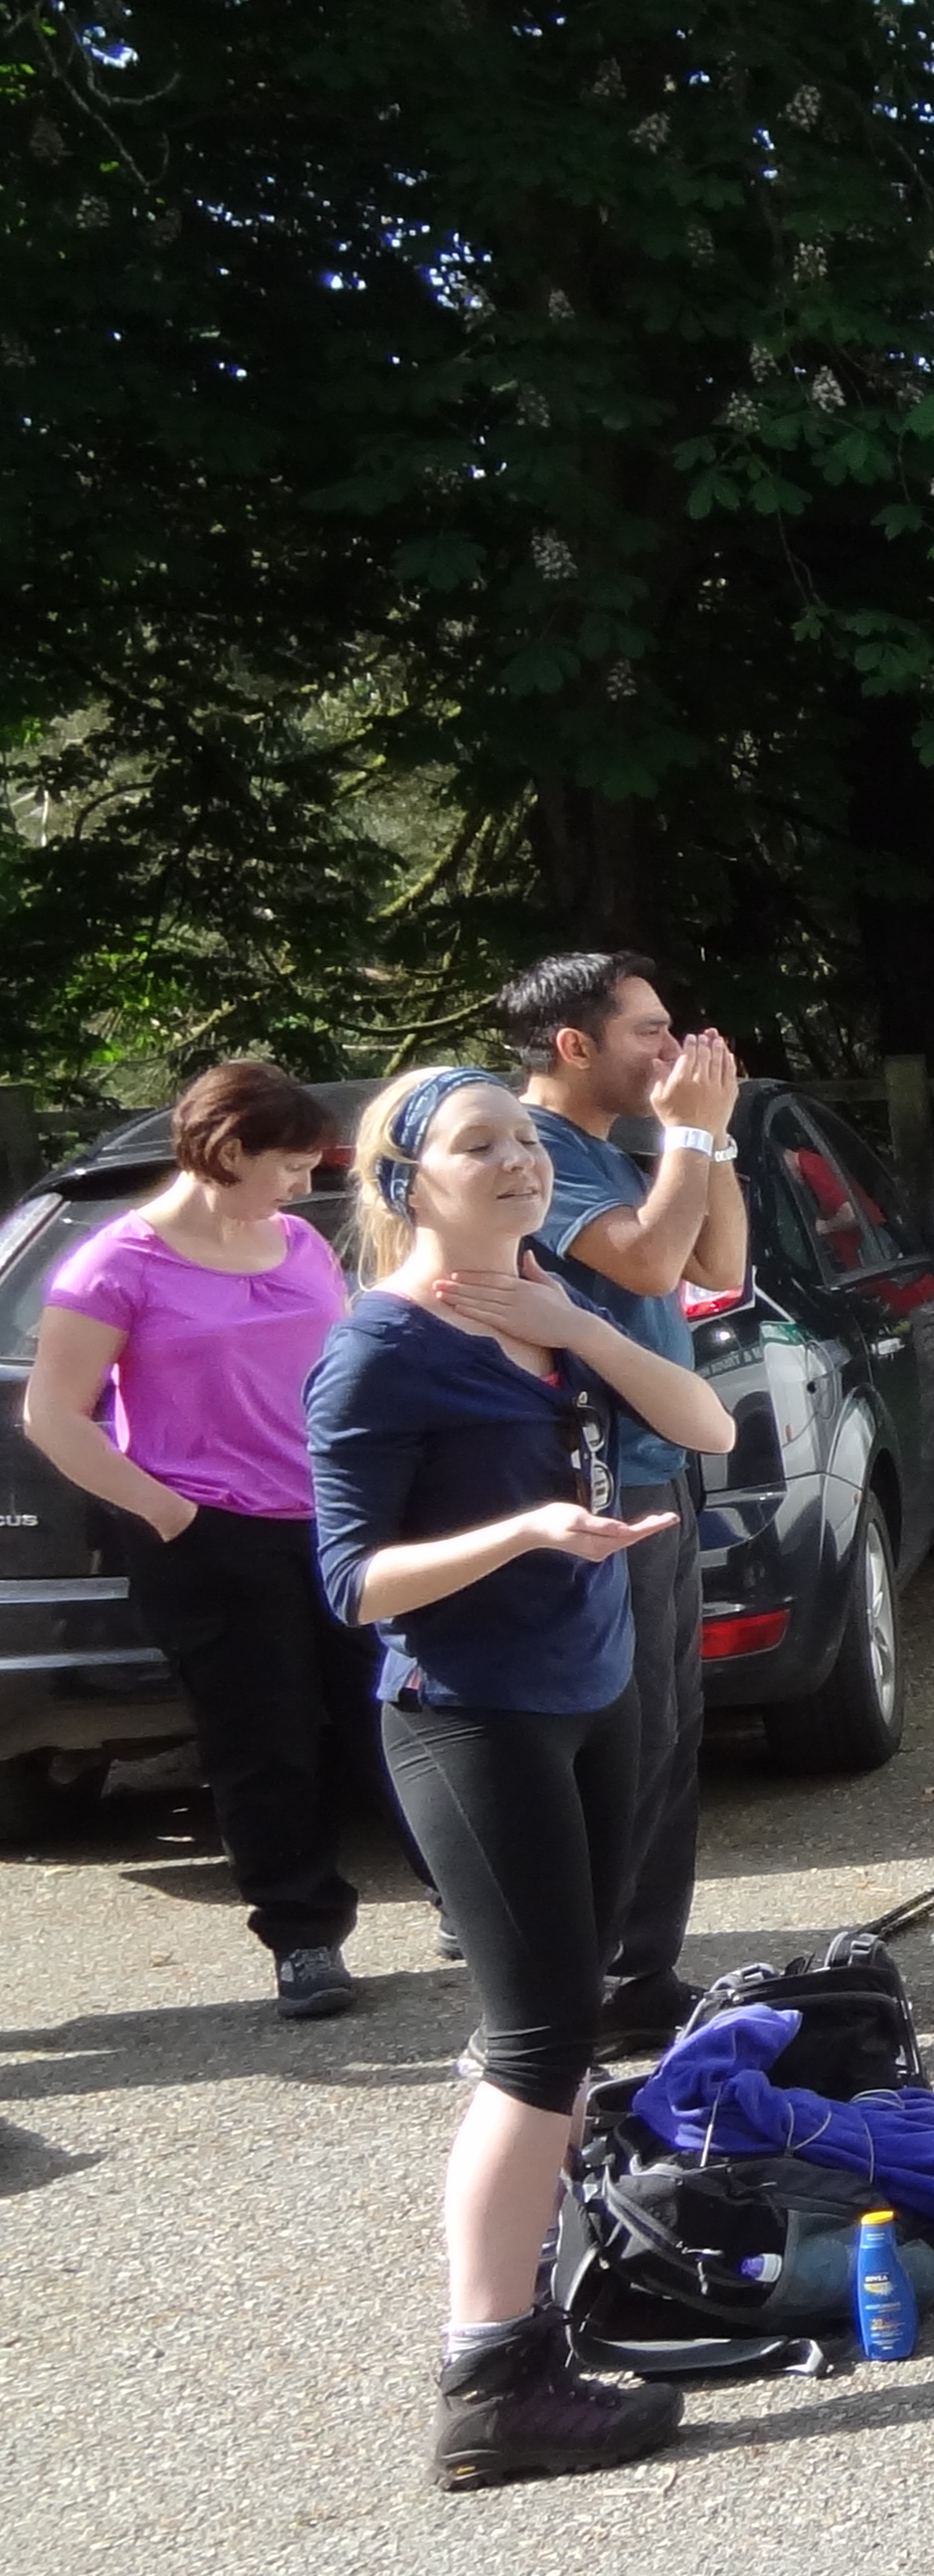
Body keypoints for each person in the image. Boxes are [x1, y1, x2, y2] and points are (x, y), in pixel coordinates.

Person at [310, 1066, 740, 2488]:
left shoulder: (545, 1304)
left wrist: (580, 1328)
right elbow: (354, 1582)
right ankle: (490, 2382)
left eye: (522, 1139)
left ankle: (539, 2310)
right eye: (476, 1145)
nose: (519, 1161)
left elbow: (708, 1428)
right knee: (539, 2042)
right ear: (403, 1183)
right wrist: (526, 1532)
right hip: (471, 1717)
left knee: (562, 2026)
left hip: (593, 1695)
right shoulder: (378, 1347)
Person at [17, 1063, 404, 2018]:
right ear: (229, 1151)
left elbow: (340, 1369)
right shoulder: (115, 1264)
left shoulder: (299, 1245)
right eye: (290, 1167)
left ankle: (466, 1897)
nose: (304, 1189)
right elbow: (52, 1415)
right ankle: (303, 1937)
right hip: (211, 1537)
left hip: (337, 1521)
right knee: (265, 1742)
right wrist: (170, 1515)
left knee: (398, 1711)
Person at [496, 952, 746, 2054]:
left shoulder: (617, 1147)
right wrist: (688, 1135)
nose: (671, 1050)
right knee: (629, 1735)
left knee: (672, 1729)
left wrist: (712, 1138)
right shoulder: (534, 1150)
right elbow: (646, 1265)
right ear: (574, 1045)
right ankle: (595, 1987)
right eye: (649, 1031)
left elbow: (717, 1261)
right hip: (595, 1477)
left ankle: (643, 1976)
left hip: (660, 1463)